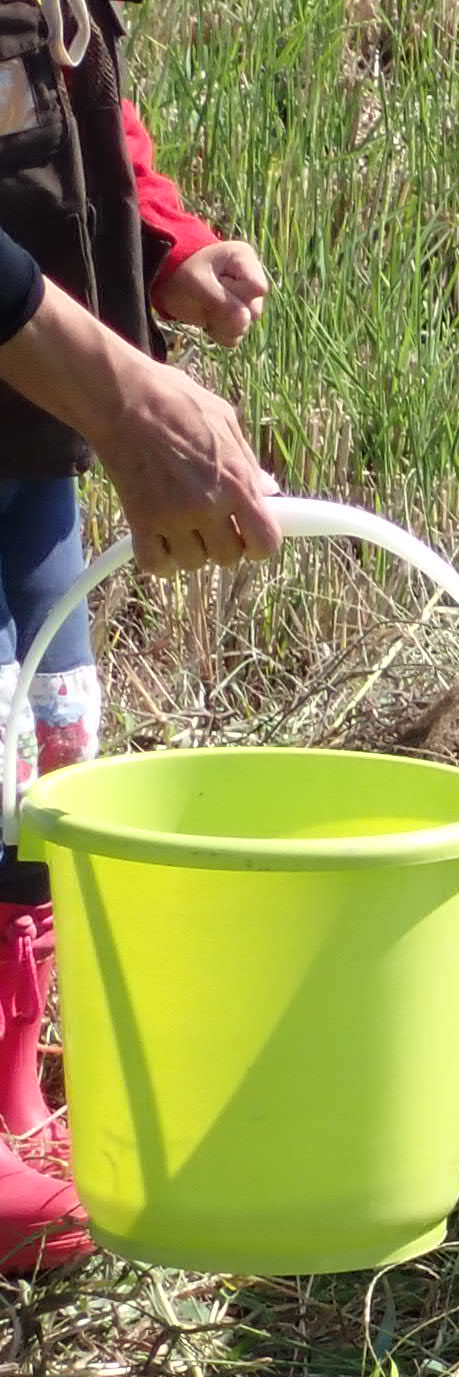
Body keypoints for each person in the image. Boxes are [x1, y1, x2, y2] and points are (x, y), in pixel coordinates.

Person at [0, 22, 283, 1271]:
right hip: (53, 388)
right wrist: (122, 393)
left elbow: (64, 112)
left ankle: (10, 1083)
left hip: (25, 429)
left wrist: (165, 248)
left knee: (44, 752)